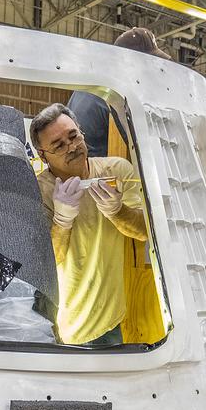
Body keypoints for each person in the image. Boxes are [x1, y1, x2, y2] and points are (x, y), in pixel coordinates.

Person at [30, 103, 147, 347]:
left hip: (111, 318)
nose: (72, 147)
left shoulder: (116, 170)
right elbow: (47, 262)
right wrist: (62, 219)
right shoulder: (38, 191)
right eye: (58, 145)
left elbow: (143, 232)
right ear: (43, 155)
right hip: (66, 324)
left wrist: (117, 211)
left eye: (74, 136)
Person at [67, 27, 171, 156]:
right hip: (93, 163)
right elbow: (136, 146)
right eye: (147, 63)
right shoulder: (113, 94)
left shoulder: (96, 82)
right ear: (131, 61)